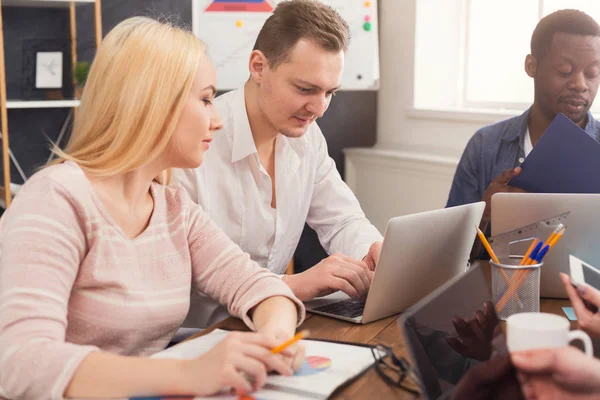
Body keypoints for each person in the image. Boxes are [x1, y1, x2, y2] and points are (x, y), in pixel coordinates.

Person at [0, 17, 306, 400]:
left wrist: (274, 338)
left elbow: (257, 285)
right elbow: (19, 362)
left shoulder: (173, 206)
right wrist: (185, 373)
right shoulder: (55, 200)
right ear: (153, 102)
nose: (217, 122)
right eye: (206, 99)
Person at [174, 0, 383, 328]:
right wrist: (294, 285)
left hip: (273, 324)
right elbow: (184, 276)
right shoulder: (194, 144)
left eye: (330, 92)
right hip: (199, 336)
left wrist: (374, 252)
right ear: (258, 66)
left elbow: (343, 221)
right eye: (305, 89)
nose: (319, 108)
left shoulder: (307, 138)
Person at [447, 9, 600, 237]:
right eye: (565, 71)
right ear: (531, 66)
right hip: (498, 274)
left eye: (592, 73)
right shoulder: (484, 146)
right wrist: (483, 213)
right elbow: (447, 253)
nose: (580, 84)